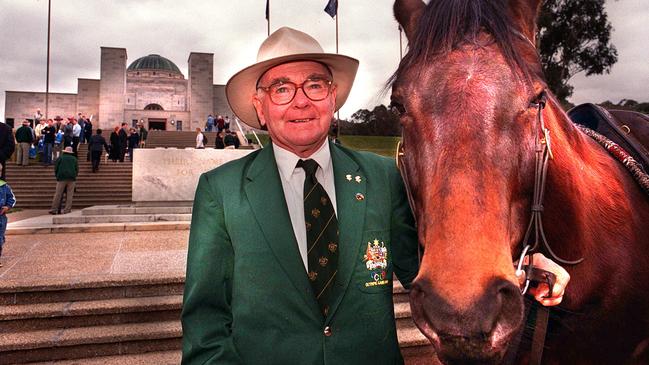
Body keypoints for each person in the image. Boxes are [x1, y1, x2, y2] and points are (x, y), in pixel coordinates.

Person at [181, 27, 570, 365]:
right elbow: (206, 322)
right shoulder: (222, 191)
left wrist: (521, 267)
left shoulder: (382, 177)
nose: (301, 101)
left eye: (314, 85)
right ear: (261, 108)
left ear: (332, 98)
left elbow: (424, 264)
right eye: (281, 89)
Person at [49, 146, 77, 215]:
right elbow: (77, 169)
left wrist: (57, 176)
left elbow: (56, 168)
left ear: (64, 151)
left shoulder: (60, 158)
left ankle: (54, 209)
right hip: (71, 178)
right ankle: (67, 210)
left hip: (61, 178)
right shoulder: (74, 159)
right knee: (70, 195)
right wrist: (74, 175)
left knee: (58, 194)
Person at [0, 164, 16, 267]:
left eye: (0, 171)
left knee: (0, 238)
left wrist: (8, 207)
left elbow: (12, 198)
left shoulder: (4, 186)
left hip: (1, 217)